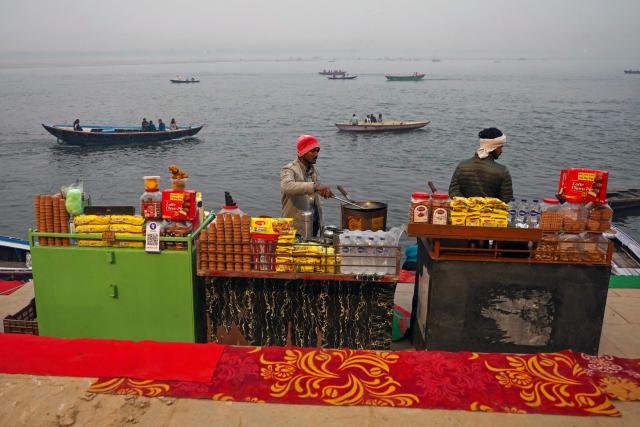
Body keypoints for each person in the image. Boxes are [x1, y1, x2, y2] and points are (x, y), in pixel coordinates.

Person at [280, 135, 334, 237]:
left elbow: (312, 193)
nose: (316, 154)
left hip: (312, 225)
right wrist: (315, 187)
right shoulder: (289, 169)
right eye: (313, 151)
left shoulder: (313, 170)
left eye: (317, 151)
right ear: (303, 152)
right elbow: (286, 187)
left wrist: (321, 192)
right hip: (295, 229)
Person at [448, 127, 513, 202]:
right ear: (493, 147)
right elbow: (506, 199)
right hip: (491, 212)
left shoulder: (461, 166)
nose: (501, 151)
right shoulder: (502, 171)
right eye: (500, 148)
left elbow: (453, 192)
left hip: (466, 212)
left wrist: (469, 204)